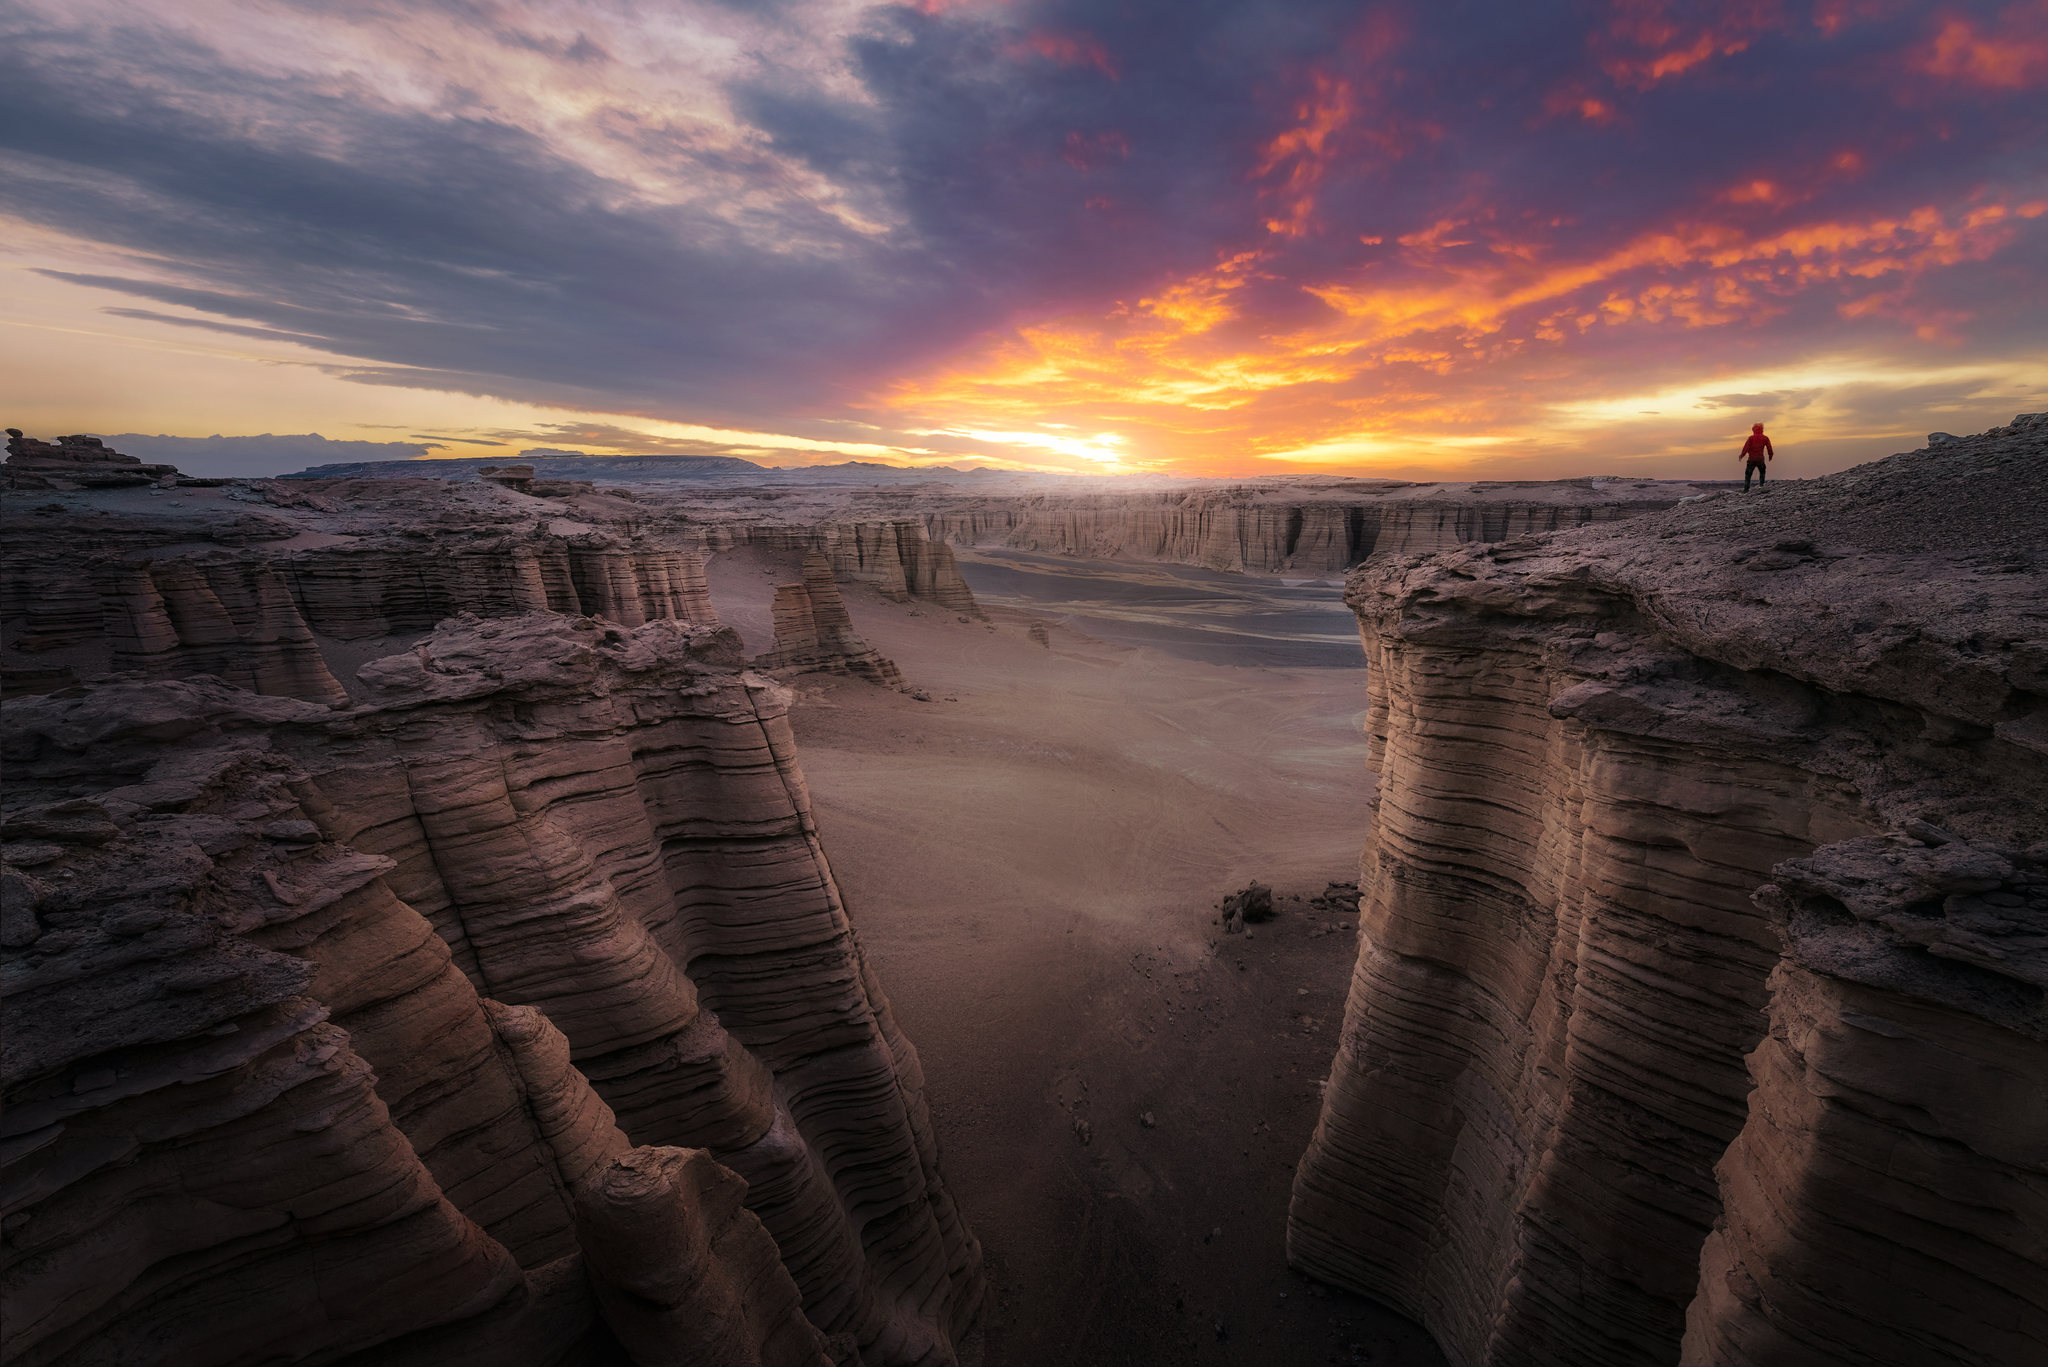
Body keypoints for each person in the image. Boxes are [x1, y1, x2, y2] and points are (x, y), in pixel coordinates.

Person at [1740, 423, 1773, 491]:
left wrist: (1742, 455)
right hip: (1760, 459)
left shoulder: (1751, 438)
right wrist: (1770, 455)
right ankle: (1761, 486)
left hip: (1751, 459)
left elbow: (1746, 448)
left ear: (1753, 430)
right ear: (1762, 430)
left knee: (1748, 475)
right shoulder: (1765, 438)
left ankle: (1746, 489)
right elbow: (1769, 448)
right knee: (1762, 472)